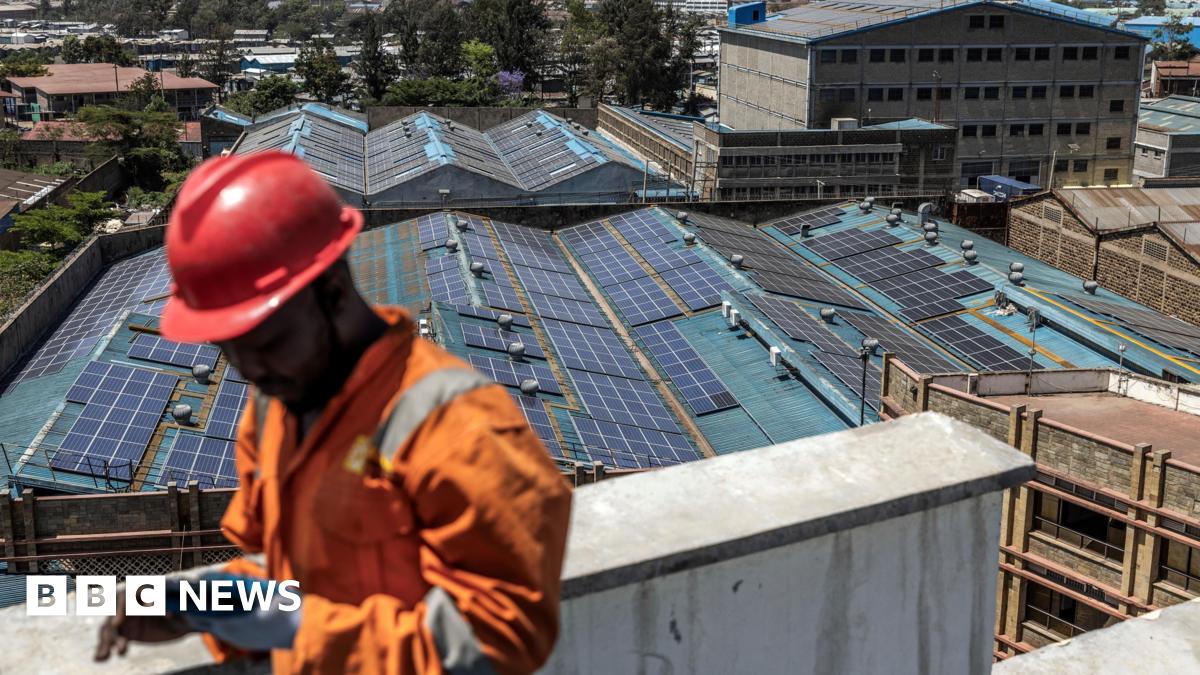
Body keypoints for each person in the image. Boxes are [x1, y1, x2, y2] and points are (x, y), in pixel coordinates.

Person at [94, 150, 573, 674]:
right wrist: (209, 602)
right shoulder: (275, 409)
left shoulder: (457, 427)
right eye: (229, 348)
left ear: (334, 291)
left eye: (267, 340)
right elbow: (295, 579)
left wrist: (302, 632)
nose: (249, 370)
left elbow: (504, 634)